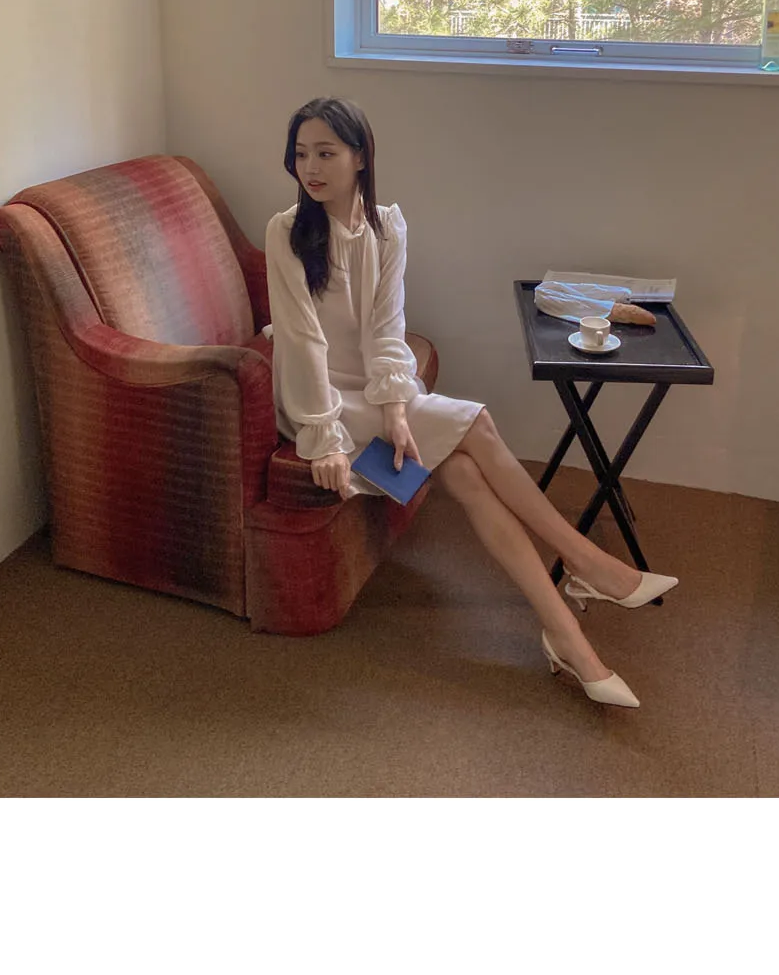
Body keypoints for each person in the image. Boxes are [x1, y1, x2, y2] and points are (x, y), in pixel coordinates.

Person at [267, 99, 678, 711]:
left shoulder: (387, 227)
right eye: (302, 154)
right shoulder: (286, 232)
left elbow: (386, 328)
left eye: (326, 153)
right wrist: (323, 436)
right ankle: (587, 564)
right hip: (318, 397)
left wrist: (397, 407)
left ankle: (568, 639)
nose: (311, 168)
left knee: (463, 472)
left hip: (374, 390)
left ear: (360, 158)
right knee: (478, 422)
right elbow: (302, 341)